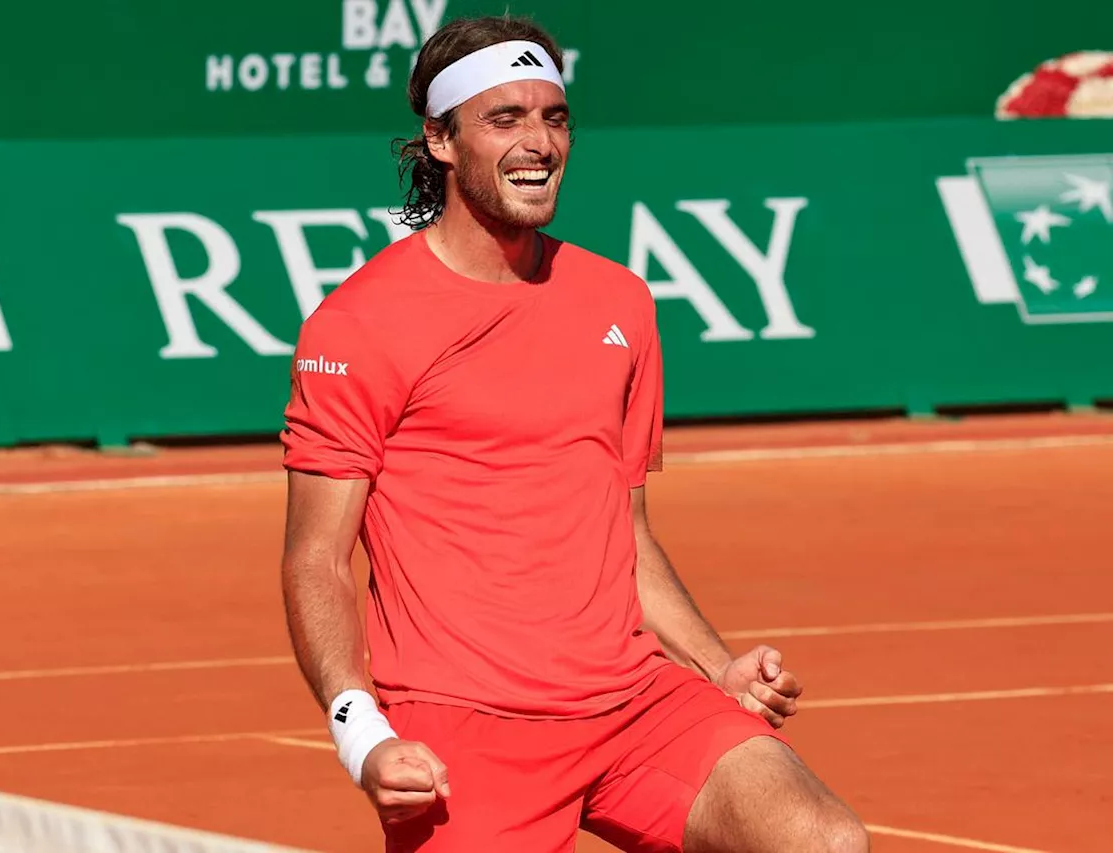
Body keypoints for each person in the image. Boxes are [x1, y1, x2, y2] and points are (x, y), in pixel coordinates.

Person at [279, 14, 869, 853]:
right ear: (440, 141)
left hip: (634, 706)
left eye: (554, 116)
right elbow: (317, 557)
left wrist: (715, 665)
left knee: (821, 840)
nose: (540, 142)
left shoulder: (619, 301)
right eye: (505, 118)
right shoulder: (359, 323)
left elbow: (625, 531)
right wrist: (359, 732)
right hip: (465, 732)